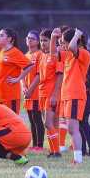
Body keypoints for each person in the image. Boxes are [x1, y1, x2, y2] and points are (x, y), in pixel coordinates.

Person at [54, 27, 90, 164]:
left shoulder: (84, 53)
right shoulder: (68, 55)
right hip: (67, 95)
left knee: (73, 128)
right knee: (71, 128)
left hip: (75, 94)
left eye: (63, 42)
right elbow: (53, 53)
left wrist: (76, 35)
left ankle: (78, 159)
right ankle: (77, 158)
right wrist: (53, 37)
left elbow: (71, 46)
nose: (62, 45)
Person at [0, 28, 34, 113]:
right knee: (1, 123)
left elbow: (29, 66)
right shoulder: (1, 51)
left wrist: (18, 79)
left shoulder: (15, 52)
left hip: (10, 95)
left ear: (9, 39)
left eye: (1, 35)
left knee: (12, 123)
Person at [37, 29, 63, 158]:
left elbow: (59, 76)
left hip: (50, 94)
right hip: (41, 94)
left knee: (49, 123)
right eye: (41, 40)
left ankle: (57, 151)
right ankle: (53, 151)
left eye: (45, 40)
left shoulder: (55, 55)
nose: (43, 43)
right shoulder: (42, 56)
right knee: (48, 124)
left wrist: (55, 94)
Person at [23, 31, 44, 152]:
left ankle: (40, 145)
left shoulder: (39, 54)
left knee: (37, 118)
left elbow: (39, 74)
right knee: (31, 119)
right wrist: (24, 87)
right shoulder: (25, 55)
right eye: (28, 38)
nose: (29, 40)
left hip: (36, 93)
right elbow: (22, 74)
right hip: (28, 93)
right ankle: (35, 143)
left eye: (32, 38)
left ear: (37, 41)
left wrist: (30, 89)